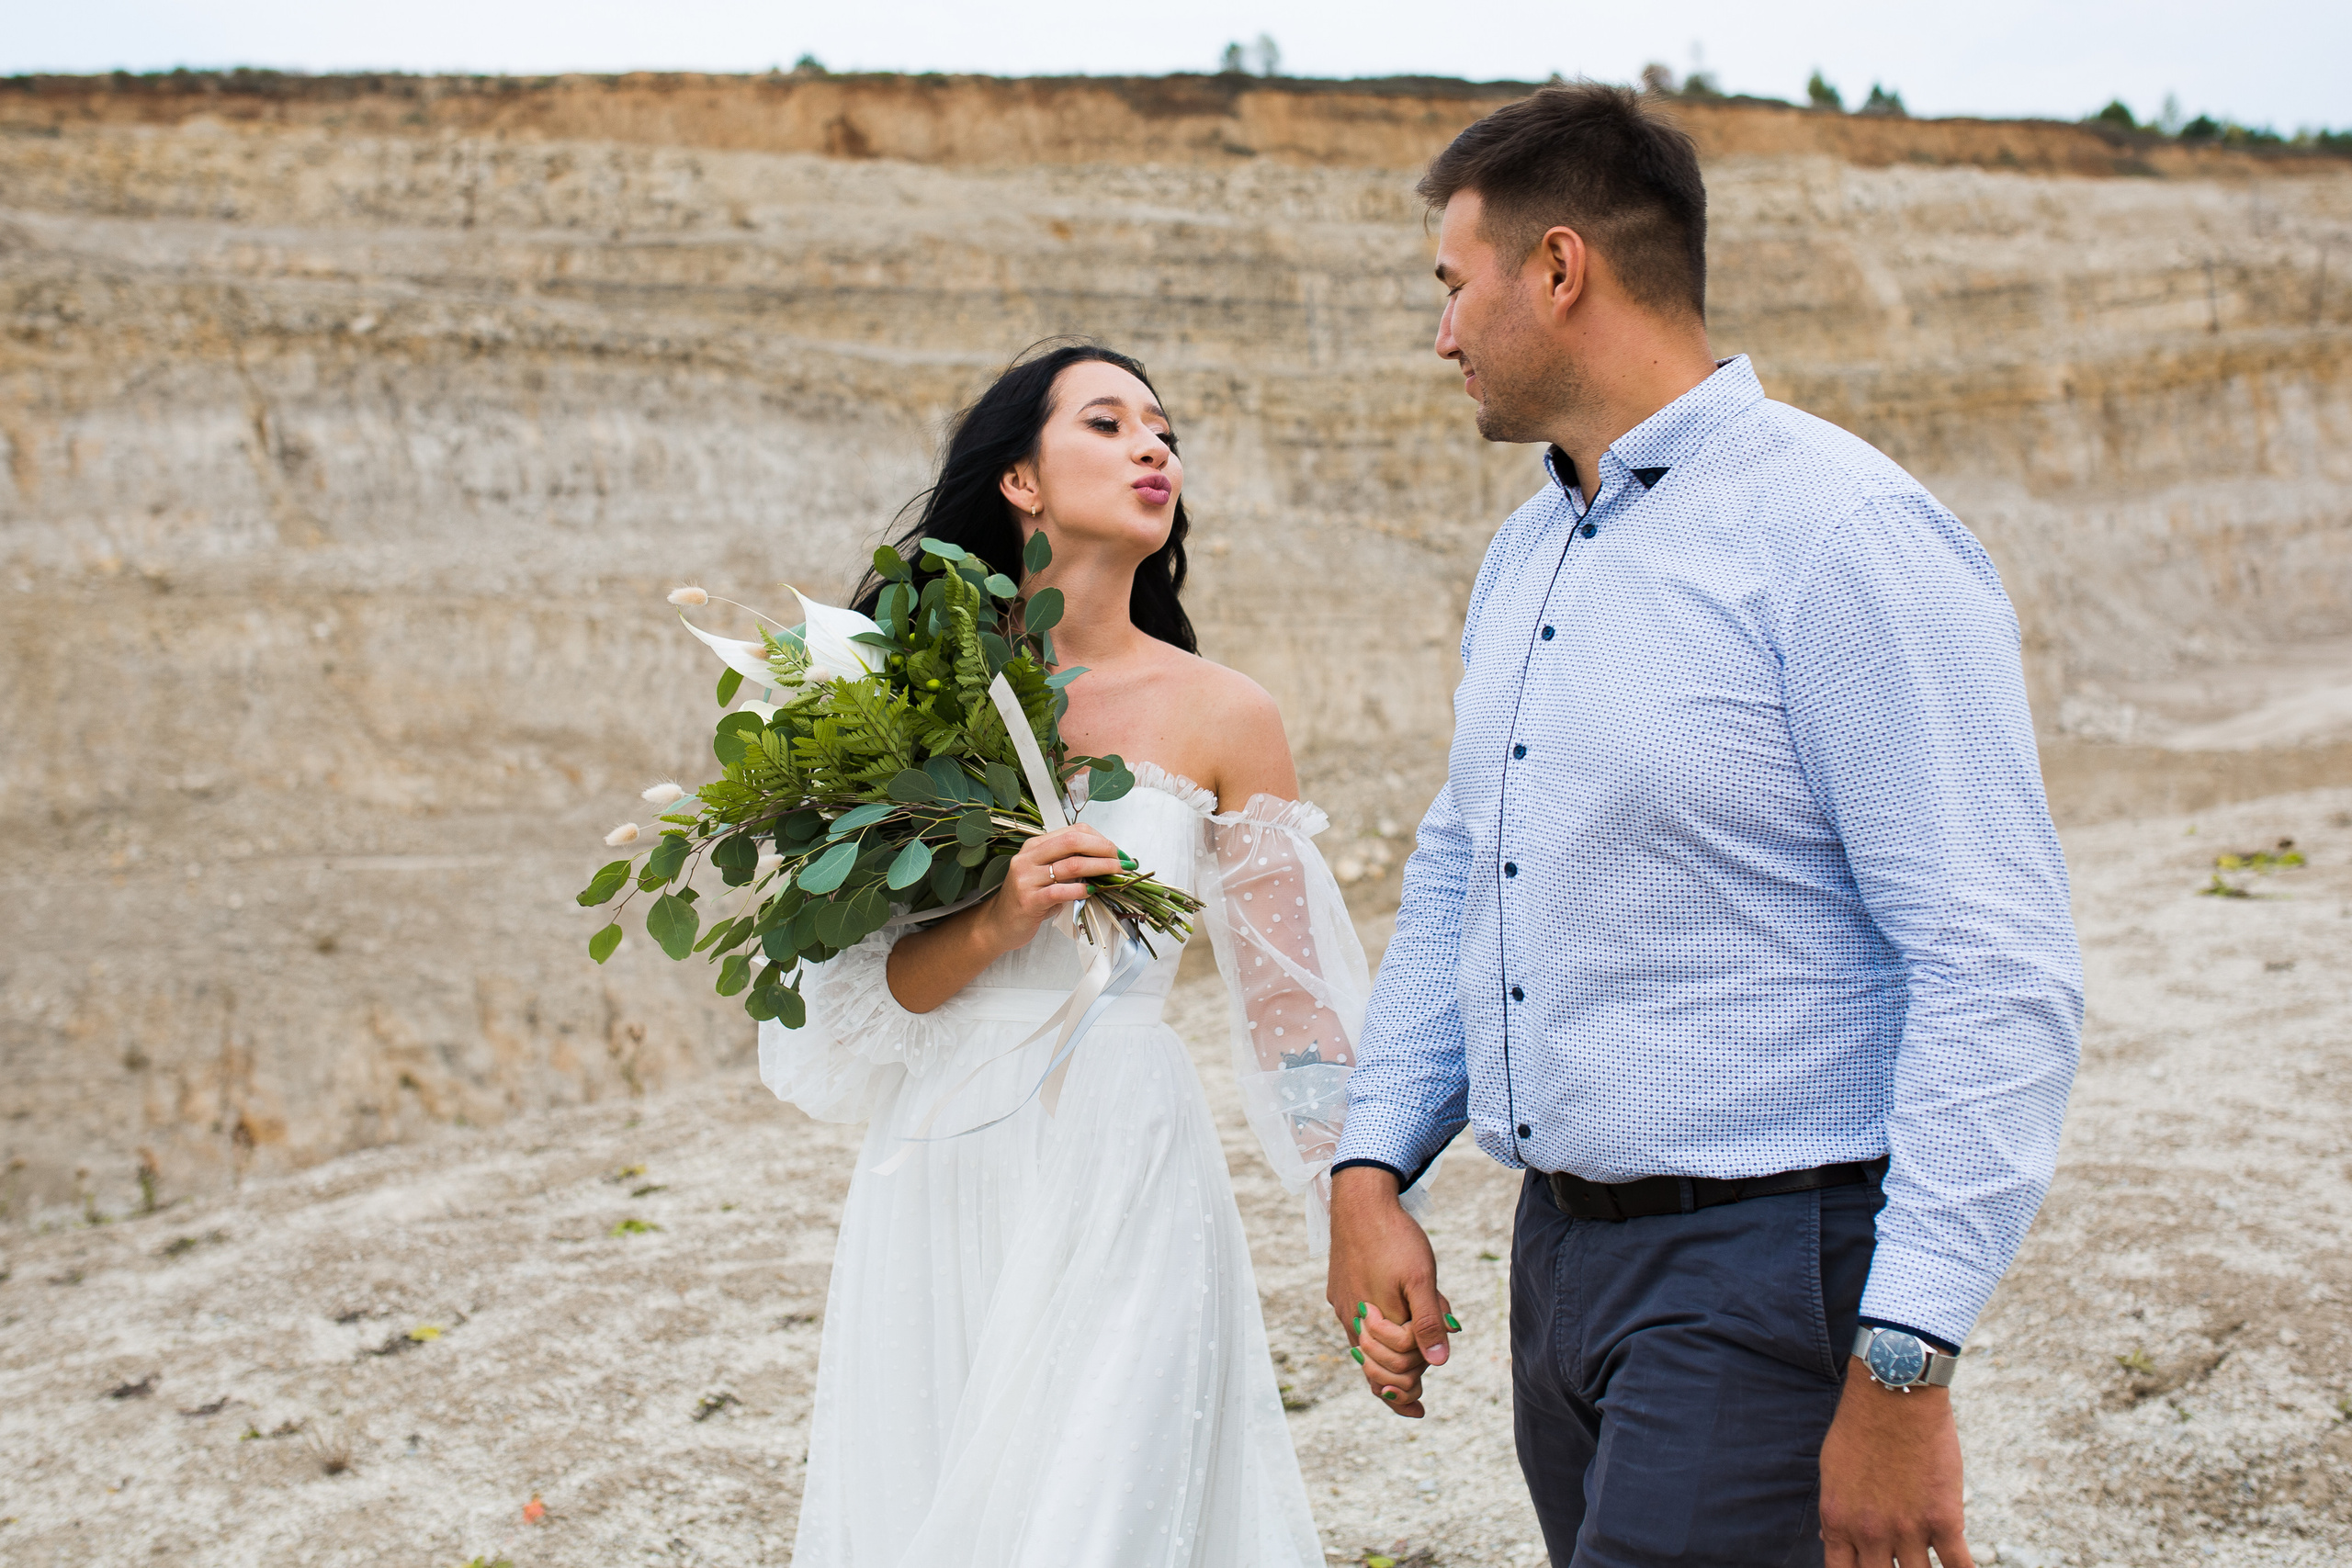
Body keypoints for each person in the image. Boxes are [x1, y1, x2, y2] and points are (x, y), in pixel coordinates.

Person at [1324, 85, 2084, 1568]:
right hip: (1561, 1263)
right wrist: (1371, 1166)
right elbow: (1465, 869)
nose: (1441, 334)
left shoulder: (1843, 536)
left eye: (1452, 285)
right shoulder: (1529, 547)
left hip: (1761, 1269)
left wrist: (1907, 1362)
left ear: (1560, 268)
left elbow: (1995, 961)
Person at [759, 341, 1403, 1567]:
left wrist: (1358, 1210)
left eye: (1164, 431)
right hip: (948, 1151)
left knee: (1102, 1519)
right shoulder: (909, 696)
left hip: (1126, 1144)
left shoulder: (1226, 713)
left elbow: (1295, 1006)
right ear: (1021, 480)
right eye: (1107, 424)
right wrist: (997, 919)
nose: (1152, 446)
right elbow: (862, 999)